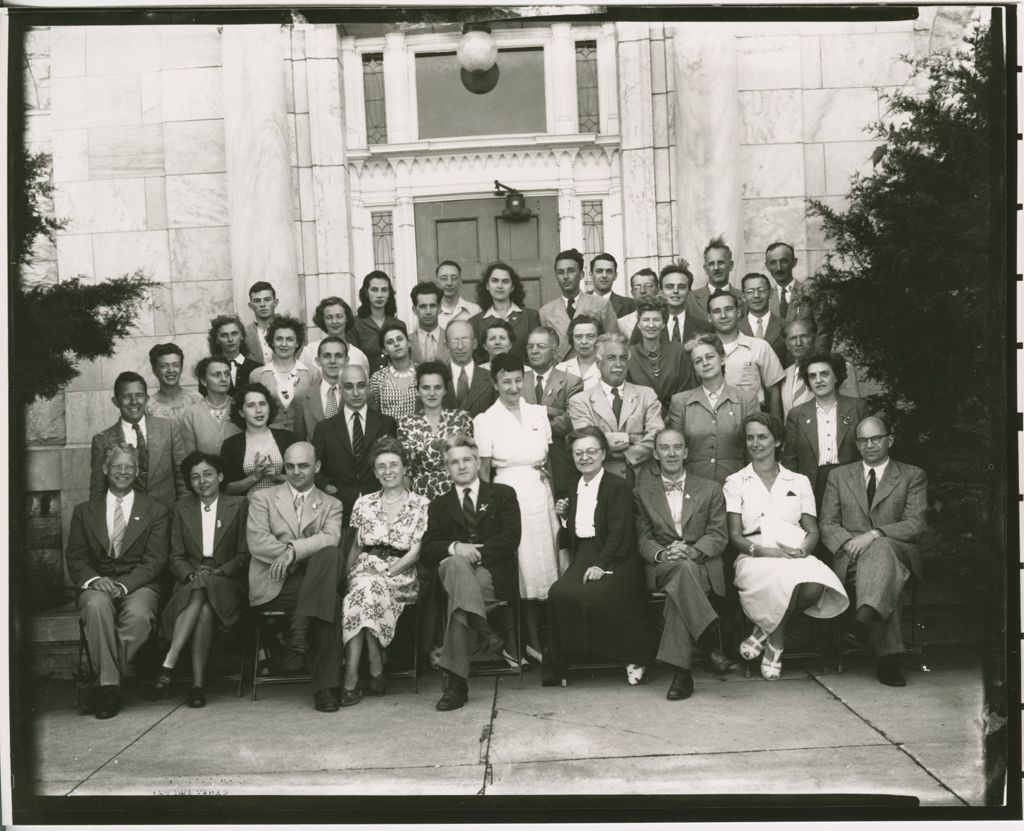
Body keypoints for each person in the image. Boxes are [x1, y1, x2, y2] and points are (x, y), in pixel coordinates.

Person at [723, 413, 849, 680]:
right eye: (750, 437)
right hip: (754, 554)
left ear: (777, 440)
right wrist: (765, 552)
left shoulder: (799, 481)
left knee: (816, 583)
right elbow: (735, 536)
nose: (756, 443)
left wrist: (801, 551)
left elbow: (813, 530)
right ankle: (776, 645)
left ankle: (762, 632)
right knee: (787, 580)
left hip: (794, 551)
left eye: (763, 437)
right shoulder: (735, 482)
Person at [820, 416, 928, 687]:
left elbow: (916, 523)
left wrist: (874, 534)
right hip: (852, 556)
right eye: (863, 440)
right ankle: (886, 658)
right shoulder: (839, 476)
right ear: (857, 444)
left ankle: (862, 624)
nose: (869, 445)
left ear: (889, 440)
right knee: (884, 571)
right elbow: (827, 523)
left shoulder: (912, 475)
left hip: (898, 551)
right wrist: (848, 543)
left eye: (876, 439)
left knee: (882, 551)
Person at [67, 443, 170, 719]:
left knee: (139, 614)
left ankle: (104, 684)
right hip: (98, 583)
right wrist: (95, 579)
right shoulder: (84, 510)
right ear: (105, 469)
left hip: (139, 584)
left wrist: (124, 585)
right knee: (96, 607)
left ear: (137, 472)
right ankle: (111, 687)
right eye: (117, 466)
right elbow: (76, 558)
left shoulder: (156, 510)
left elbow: (155, 560)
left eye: (129, 466)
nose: (123, 471)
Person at [634, 428, 738, 700]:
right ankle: (708, 645)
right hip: (661, 565)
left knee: (683, 577)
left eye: (677, 447)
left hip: (699, 564)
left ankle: (683, 675)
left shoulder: (711, 488)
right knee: (682, 571)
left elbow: (718, 535)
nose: (671, 453)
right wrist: (663, 553)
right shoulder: (642, 492)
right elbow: (643, 537)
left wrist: (691, 552)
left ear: (686, 452)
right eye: (664, 448)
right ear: (655, 453)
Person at [420, 434, 521, 711]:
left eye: (466, 459)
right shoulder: (439, 504)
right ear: (446, 468)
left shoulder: (503, 494)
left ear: (477, 461)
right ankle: (484, 629)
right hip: (453, 577)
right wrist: (456, 547)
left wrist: (474, 553)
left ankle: (457, 685)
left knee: (460, 603)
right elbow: (429, 547)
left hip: (491, 574)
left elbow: (511, 538)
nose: (461, 466)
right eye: (454, 462)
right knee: (454, 563)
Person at [545, 426, 653, 686]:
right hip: (585, 553)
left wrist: (600, 565)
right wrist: (565, 516)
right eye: (578, 453)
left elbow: (619, 533)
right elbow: (578, 530)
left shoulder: (618, 486)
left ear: (603, 453)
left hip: (616, 556)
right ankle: (566, 661)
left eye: (591, 451)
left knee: (597, 593)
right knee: (559, 593)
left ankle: (633, 656)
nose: (585, 457)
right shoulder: (574, 486)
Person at [475, 353, 562, 664]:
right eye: (505, 381)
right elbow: (484, 472)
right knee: (523, 568)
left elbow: (548, 459)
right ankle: (528, 641)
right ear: (495, 383)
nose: (513, 387)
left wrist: (551, 488)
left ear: (524, 379)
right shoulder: (485, 420)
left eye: (517, 380)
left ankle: (552, 640)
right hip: (509, 498)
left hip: (541, 495)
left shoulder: (538, 413)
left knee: (547, 564)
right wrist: (490, 512)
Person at [247, 442, 347, 712]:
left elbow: (331, 538)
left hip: (311, 580)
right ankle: (326, 689)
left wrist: (293, 551)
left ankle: (300, 628)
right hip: (275, 582)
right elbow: (257, 541)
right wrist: (295, 554)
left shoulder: (332, 504)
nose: (296, 472)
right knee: (329, 600)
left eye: (303, 466)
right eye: (289, 466)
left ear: (316, 467)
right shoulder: (263, 498)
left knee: (330, 556)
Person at [154, 452, 249, 708]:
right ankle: (197, 686)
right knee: (204, 607)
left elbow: (243, 554)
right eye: (195, 477)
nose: (202, 481)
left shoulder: (239, 505)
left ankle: (169, 662)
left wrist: (221, 572)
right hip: (190, 580)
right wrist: (189, 573)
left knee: (206, 584)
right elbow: (175, 557)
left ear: (219, 476)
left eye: (207, 474)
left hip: (226, 581)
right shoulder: (182, 508)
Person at [340, 437, 430, 706]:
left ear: (404, 469)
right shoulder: (363, 503)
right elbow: (355, 547)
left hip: (400, 574)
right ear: (375, 471)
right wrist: (347, 577)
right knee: (363, 588)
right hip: (364, 570)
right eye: (381, 466)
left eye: (393, 465)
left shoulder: (420, 504)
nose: (388, 471)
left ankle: (352, 675)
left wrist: (387, 571)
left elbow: (415, 551)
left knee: (366, 588)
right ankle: (372, 659)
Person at [568, 333, 664, 481]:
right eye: (611, 357)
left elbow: (657, 436)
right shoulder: (580, 401)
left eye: (623, 358)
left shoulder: (647, 394)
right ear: (598, 363)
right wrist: (632, 437)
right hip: (602, 480)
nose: (618, 364)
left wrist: (625, 454)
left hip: (645, 478)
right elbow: (589, 442)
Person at [666, 333, 759, 484]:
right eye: (698, 361)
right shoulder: (680, 402)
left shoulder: (746, 400)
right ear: (695, 369)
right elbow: (675, 450)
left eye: (710, 357)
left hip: (737, 485)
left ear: (722, 359)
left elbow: (754, 450)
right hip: (694, 485)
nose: (705, 363)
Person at [312, 364, 399, 524]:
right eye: (348, 387)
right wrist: (328, 488)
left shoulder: (386, 423)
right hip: (339, 510)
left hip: (382, 508)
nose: (356, 393)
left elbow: (396, 464)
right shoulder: (325, 428)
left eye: (361, 386)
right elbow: (314, 468)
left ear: (368, 388)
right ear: (340, 390)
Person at [782, 351, 870, 506]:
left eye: (824, 374)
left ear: (836, 377)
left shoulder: (857, 408)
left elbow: (867, 450)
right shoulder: (797, 414)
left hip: (851, 481)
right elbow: (790, 458)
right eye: (812, 376)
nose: (818, 380)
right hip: (812, 484)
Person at [90, 371, 186, 509]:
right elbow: (98, 490)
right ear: (116, 401)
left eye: (139, 395)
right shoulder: (102, 440)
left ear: (147, 398)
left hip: (167, 516)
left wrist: (183, 514)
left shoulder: (169, 428)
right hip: (126, 521)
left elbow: (182, 479)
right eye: (126, 397)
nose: (134, 402)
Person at [523, 326, 584, 500]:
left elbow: (571, 421)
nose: (534, 351)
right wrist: (550, 412)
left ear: (555, 350)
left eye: (540, 346)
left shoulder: (571, 382)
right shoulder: (517, 381)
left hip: (560, 469)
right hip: (526, 470)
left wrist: (531, 417)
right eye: (530, 346)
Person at [399, 362, 474, 501]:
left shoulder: (462, 419)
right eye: (426, 388)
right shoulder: (406, 424)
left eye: (437, 387)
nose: (432, 393)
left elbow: (471, 462)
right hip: (421, 496)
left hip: (457, 493)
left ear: (445, 390)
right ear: (417, 390)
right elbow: (406, 471)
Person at [708, 290, 785, 422]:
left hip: (753, 420)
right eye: (716, 311)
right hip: (714, 421)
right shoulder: (703, 351)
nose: (723, 315)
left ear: (738, 313)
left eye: (728, 309)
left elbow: (774, 391)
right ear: (709, 317)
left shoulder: (760, 347)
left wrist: (776, 427)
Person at [539, 249, 619, 361]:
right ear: (556, 276)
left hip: (595, 371)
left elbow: (614, 344)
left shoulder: (601, 304)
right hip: (562, 373)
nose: (566, 276)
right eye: (561, 272)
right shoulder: (546, 312)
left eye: (571, 271)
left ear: (581, 274)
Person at [219, 383, 294, 499]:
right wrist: (254, 477)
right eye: (251, 405)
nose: (258, 410)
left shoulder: (288, 438)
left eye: (263, 404)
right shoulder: (231, 445)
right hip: (248, 510)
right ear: (241, 412)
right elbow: (226, 489)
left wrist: (278, 477)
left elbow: (304, 479)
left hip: (285, 507)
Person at [626, 293, 697, 409]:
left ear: (664, 324)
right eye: (645, 320)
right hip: (640, 419)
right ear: (638, 324)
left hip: (676, 419)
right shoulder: (629, 355)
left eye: (656, 320)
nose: (651, 325)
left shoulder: (679, 351)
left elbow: (687, 391)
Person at [248, 315, 317, 434]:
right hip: (269, 441)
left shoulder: (312, 373)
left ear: (297, 343)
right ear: (272, 342)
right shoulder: (257, 375)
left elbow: (315, 412)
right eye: (279, 339)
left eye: (290, 339)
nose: (284, 344)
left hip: (302, 442)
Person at [781, 318, 860, 418]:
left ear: (814, 338)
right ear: (787, 345)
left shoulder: (840, 367)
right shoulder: (784, 375)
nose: (799, 343)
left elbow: (853, 410)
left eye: (804, 336)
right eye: (793, 338)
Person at [468, 262, 541, 363]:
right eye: (495, 281)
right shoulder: (475, 322)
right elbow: (476, 359)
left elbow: (536, 352)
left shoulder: (531, 317)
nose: (500, 286)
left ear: (512, 287)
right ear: (487, 286)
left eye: (505, 281)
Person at [764, 241, 829, 352]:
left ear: (794, 262)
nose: (778, 268)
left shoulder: (812, 293)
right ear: (767, 266)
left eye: (784, 261)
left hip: (806, 362)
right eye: (773, 263)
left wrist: (816, 360)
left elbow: (823, 332)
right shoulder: (765, 298)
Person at [180, 356, 242, 456]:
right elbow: (190, 457)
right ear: (204, 381)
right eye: (217, 375)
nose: (224, 379)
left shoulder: (240, 407)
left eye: (227, 374)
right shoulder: (192, 414)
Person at [292, 336, 348, 443]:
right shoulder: (303, 397)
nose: (332, 361)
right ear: (318, 361)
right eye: (327, 356)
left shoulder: (359, 395)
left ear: (346, 360)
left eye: (338, 356)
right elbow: (300, 440)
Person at [298, 296, 371, 377]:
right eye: (329, 317)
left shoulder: (358, 355)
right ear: (323, 320)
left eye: (339, 316)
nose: (334, 321)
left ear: (346, 318)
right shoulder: (311, 350)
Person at [648, 261, 713, 346]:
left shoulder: (705, 328)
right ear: (661, 291)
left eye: (681, 287)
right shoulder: (648, 326)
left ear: (689, 292)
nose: (675, 291)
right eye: (669, 287)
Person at [441, 319, 495, 417]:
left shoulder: (490, 378)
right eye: (454, 340)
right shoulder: (437, 378)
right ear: (447, 346)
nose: (460, 346)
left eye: (465, 340)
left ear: (474, 344)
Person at [353, 270, 402, 373]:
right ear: (366, 292)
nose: (379, 295)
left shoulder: (398, 324)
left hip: (394, 386)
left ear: (389, 293)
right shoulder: (355, 324)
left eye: (384, 290)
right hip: (365, 385)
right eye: (374, 290)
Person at [368, 320, 419, 421]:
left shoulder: (423, 372)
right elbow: (375, 413)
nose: (396, 344)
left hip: (420, 433)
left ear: (408, 343)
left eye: (400, 339)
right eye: (390, 342)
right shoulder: (378, 378)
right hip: (390, 434)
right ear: (384, 350)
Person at [687, 237, 743, 322]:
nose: (716, 268)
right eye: (711, 264)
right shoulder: (690, 299)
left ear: (731, 265)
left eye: (721, 262)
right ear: (705, 269)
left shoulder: (743, 298)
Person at [738, 272, 787, 367]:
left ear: (771, 293)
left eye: (761, 290)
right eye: (750, 291)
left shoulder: (786, 326)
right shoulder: (736, 329)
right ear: (743, 297)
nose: (756, 295)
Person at [146, 343, 202, 422]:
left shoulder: (195, 399)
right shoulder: (149, 406)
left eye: (175, 365)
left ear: (181, 368)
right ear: (155, 370)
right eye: (164, 366)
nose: (171, 370)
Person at [206, 314, 261, 393]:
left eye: (234, 334)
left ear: (242, 336)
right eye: (224, 335)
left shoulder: (257, 369)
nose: (230, 339)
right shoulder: (208, 370)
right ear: (216, 340)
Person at [554, 315, 603, 390]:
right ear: (572, 339)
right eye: (578, 337)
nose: (584, 342)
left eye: (590, 336)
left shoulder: (607, 368)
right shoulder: (561, 369)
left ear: (598, 338)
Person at [408, 281, 450, 364]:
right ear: (414, 310)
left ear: (439, 308)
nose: (428, 311)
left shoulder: (451, 340)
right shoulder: (406, 342)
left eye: (432, 306)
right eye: (423, 306)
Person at [435, 260, 482, 331]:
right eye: (444, 279)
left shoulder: (475, 310)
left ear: (460, 282)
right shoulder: (430, 313)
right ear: (436, 283)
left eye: (454, 278)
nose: (449, 283)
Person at [616, 267, 659, 340]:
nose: (642, 291)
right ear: (632, 293)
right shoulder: (621, 323)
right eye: (637, 287)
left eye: (648, 286)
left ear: (657, 290)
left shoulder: (668, 318)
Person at [589, 252, 635, 318]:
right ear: (591, 275)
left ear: (615, 276)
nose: (604, 275)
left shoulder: (629, 305)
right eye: (599, 271)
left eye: (609, 271)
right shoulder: (579, 303)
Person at [244, 281, 279, 365]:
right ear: (250, 305)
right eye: (257, 301)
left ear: (275, 303)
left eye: (267, 300)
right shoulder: (244, 333)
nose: (262, 304)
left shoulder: (289, 330)